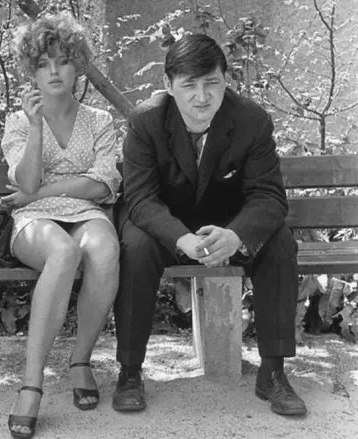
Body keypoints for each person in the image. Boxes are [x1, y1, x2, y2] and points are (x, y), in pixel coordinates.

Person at [113, 33, 307, 416]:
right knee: (134, 246)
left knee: (280, 242)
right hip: (166, 226)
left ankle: (273, 372)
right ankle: (130, 372)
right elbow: (140, 199)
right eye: (189, 85)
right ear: (169, 85)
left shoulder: (251, 121)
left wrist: (236, 235)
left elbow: (269, 197)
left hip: (227, 226)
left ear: (225, 80)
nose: (201, 97)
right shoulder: (145, 122)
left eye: (211, 83)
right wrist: (180, 238)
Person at [1, 13, 122, 439]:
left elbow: (102, 184)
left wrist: (42, 191)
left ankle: (80, 360)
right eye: (43, 63)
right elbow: (26, 182)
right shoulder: (19, 122)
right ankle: (31, 385)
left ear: (77, 65)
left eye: (63, 61)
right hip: (33, 219)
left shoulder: (99, 120)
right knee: (63, 252)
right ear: (31, 70)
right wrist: (36, 127)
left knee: (105, 248)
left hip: (84, 212)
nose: (53, 71)